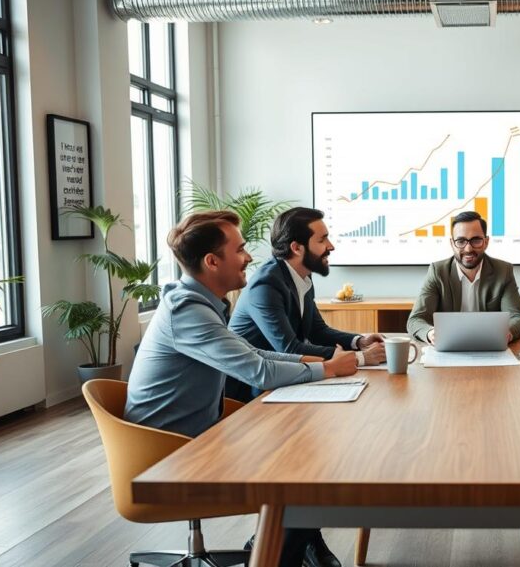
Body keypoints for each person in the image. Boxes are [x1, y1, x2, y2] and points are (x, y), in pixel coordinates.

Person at [124, 210, 354, 567]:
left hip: (196, 437)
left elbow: (253, 352)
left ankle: (271, 547)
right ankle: (272, 552)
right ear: (212, 261)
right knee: (302, 473)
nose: (249, 257)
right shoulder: (188, 311)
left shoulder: (200, 303)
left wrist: (321, 366)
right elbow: (258, 370)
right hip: (168, 455)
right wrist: (326, 368)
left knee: (304, 456)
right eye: (240, 249)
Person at [227, 208, 386, 402]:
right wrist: (360, 357)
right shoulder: (266, 284)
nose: (331, 246)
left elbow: (317, 330)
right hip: (250, 393)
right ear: (296, 248)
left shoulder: (302, 275)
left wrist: (359, 341)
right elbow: (288, 348)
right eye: (322, 240)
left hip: (284, 380)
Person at [407, 211, 520, 344]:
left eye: (476, 240)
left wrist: (507, 332)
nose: (468, 248)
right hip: (449, 347)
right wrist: (431, 333)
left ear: (486, 242)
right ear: (452, 244)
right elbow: (415, 320)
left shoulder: (503, 271)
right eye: (461, 241)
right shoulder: (438, 272)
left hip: (489, 346)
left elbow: (518, 318)